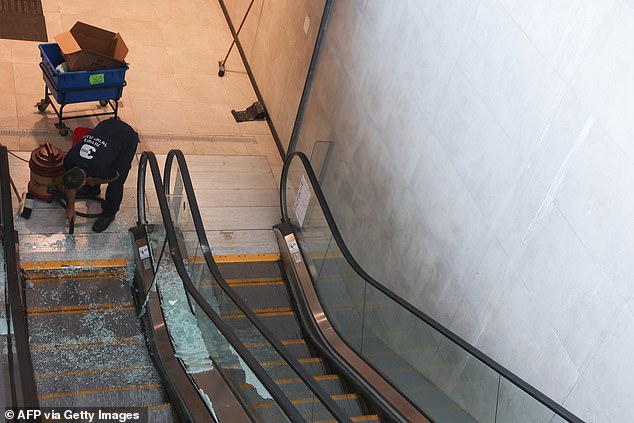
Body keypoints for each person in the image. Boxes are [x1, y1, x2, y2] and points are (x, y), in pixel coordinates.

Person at [62, 118, 139, 233]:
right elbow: (70, 185)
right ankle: (92, 190)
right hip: (107, 124)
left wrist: (96, 181)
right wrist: (70, 207)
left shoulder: (101, 168)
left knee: (116, 184)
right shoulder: (69, 159)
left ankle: (109, 214)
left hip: (127, 137)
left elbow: (115, 176)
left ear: (84, 182)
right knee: (96, 169)